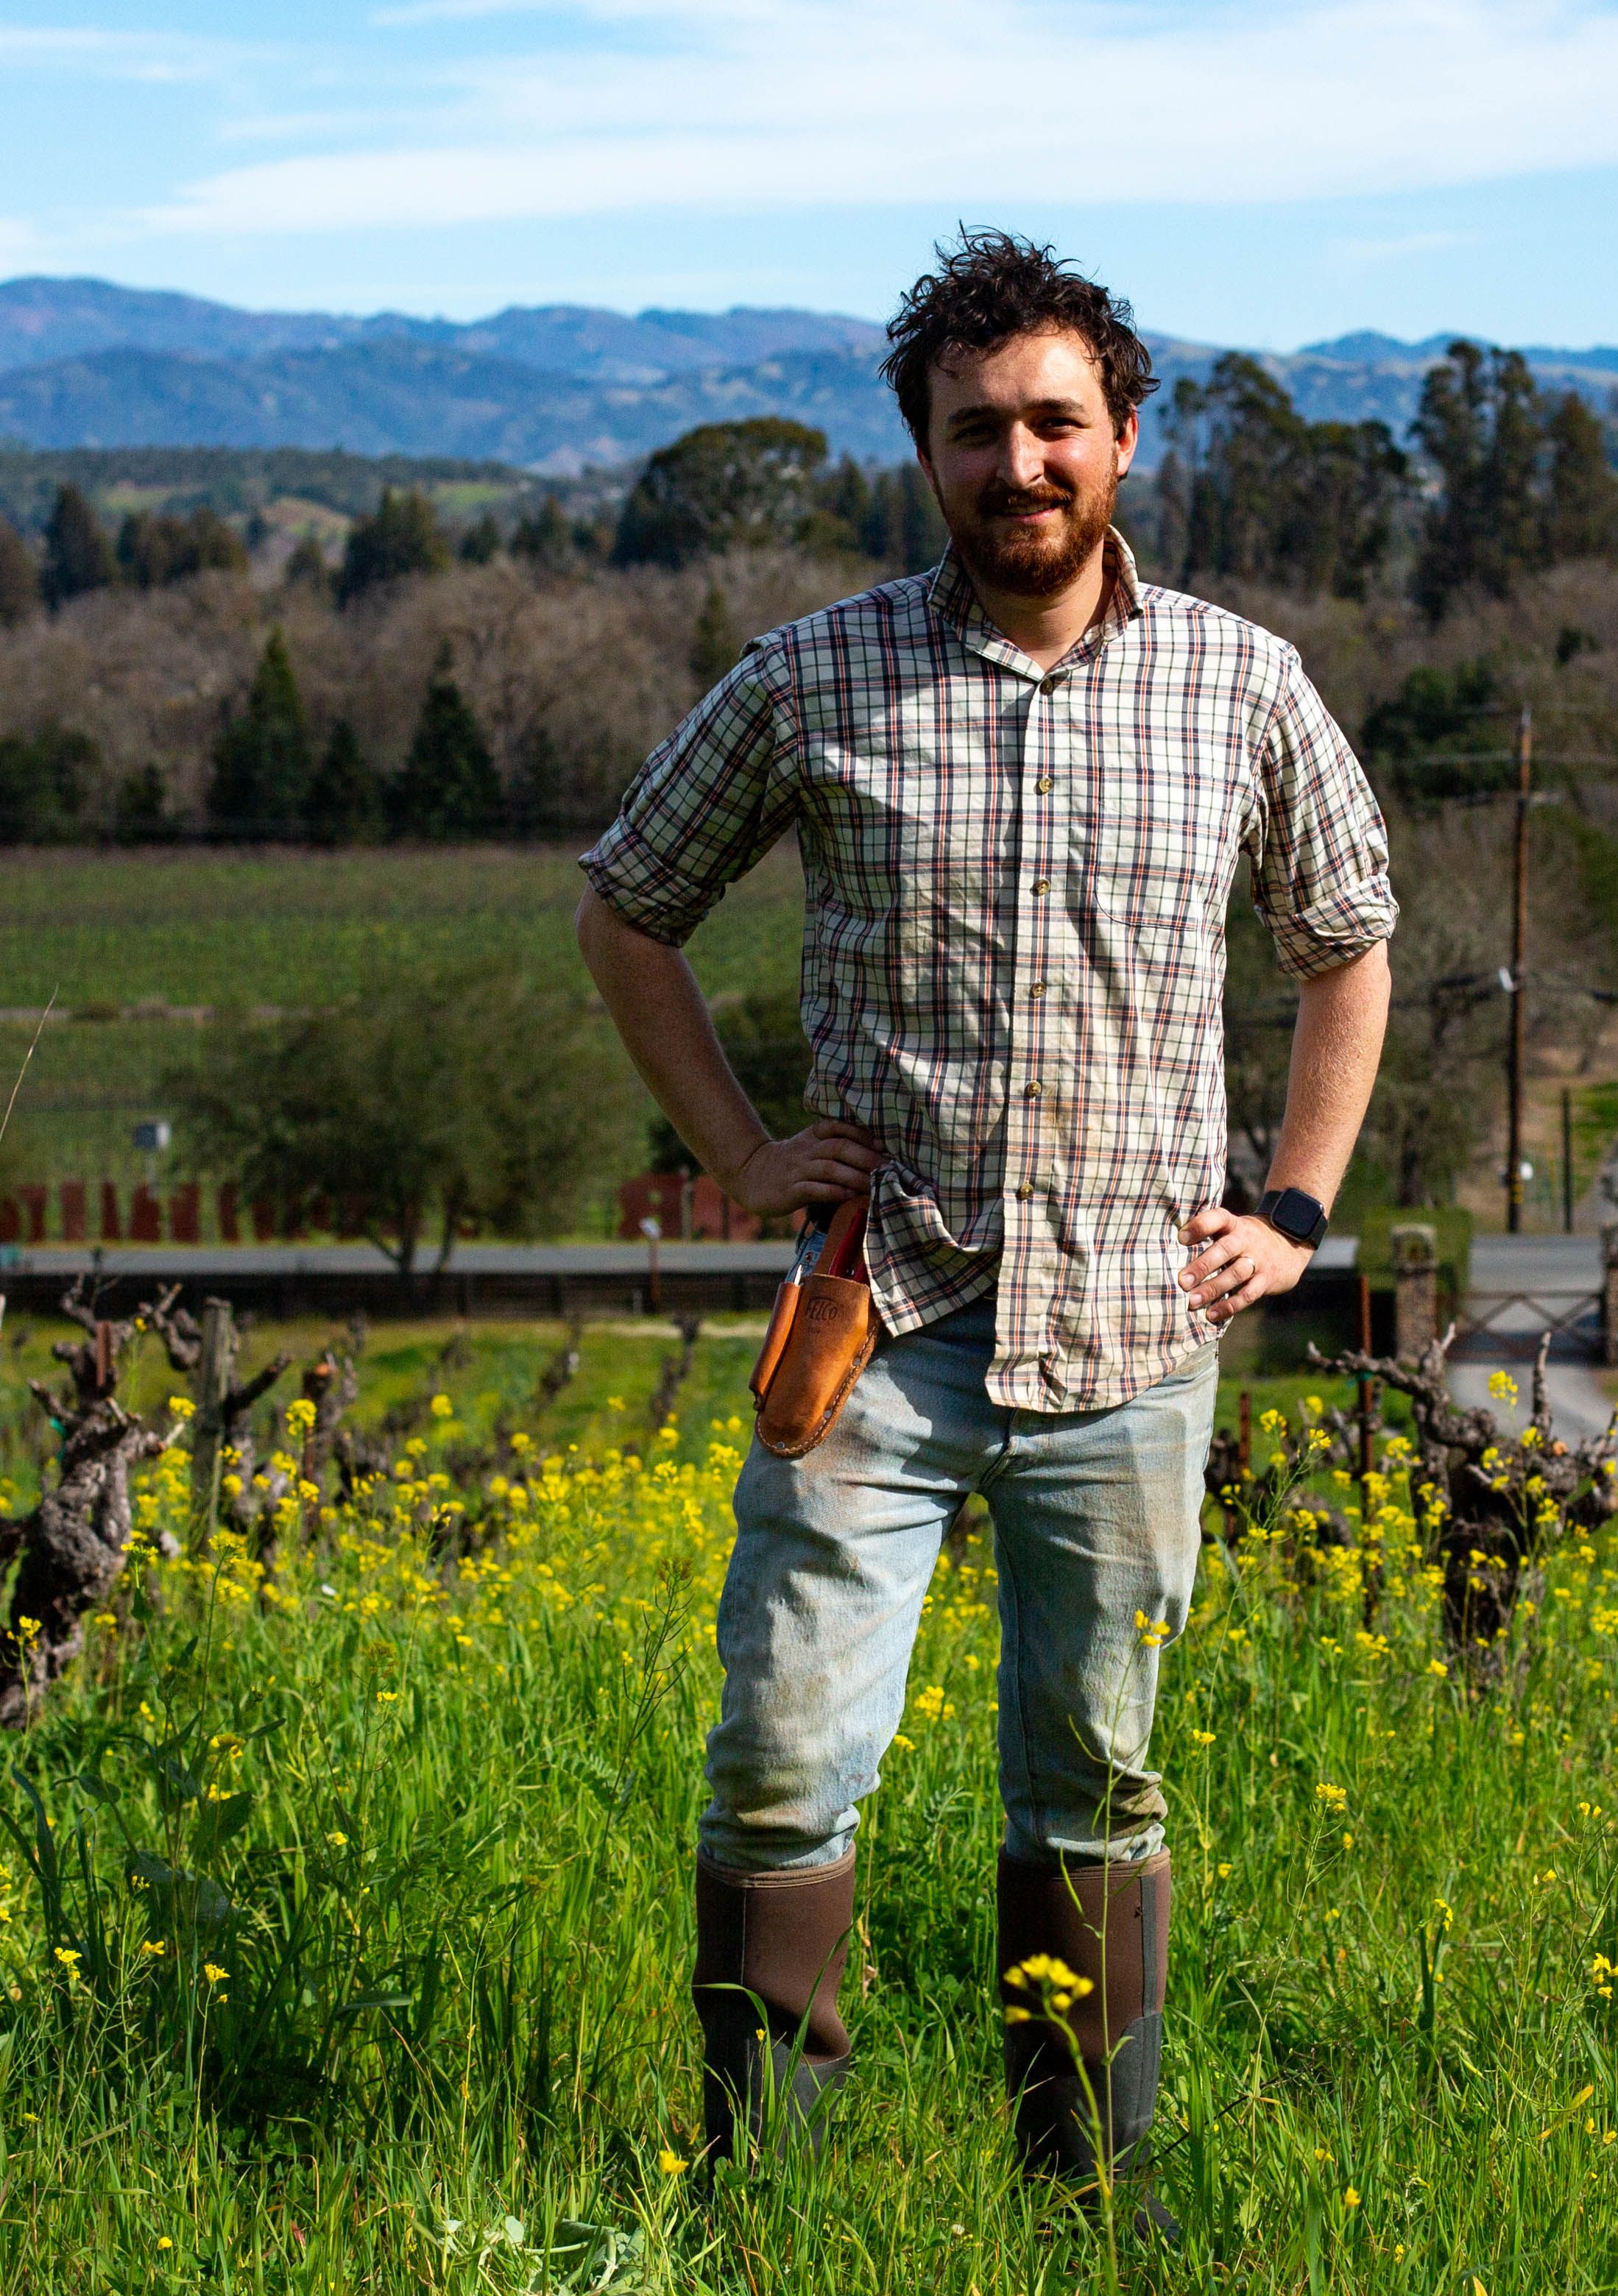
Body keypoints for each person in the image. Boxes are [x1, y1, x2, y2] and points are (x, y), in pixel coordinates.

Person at [575, 228, 1394, 2213]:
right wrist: (741, 1152)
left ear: (1123, 435)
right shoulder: (813, 675)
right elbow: (628, 911)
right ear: (923, 451)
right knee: (779, 1760)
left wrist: (1294, 1204)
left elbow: (1348, 944)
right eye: (973, 431)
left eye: (1053, 424)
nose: (1016, 464)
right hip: (879, 1326)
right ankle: (759, 2200)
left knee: (1097, 1784)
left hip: (1133, 1338)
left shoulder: (1239, 683)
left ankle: (1085, 2205)